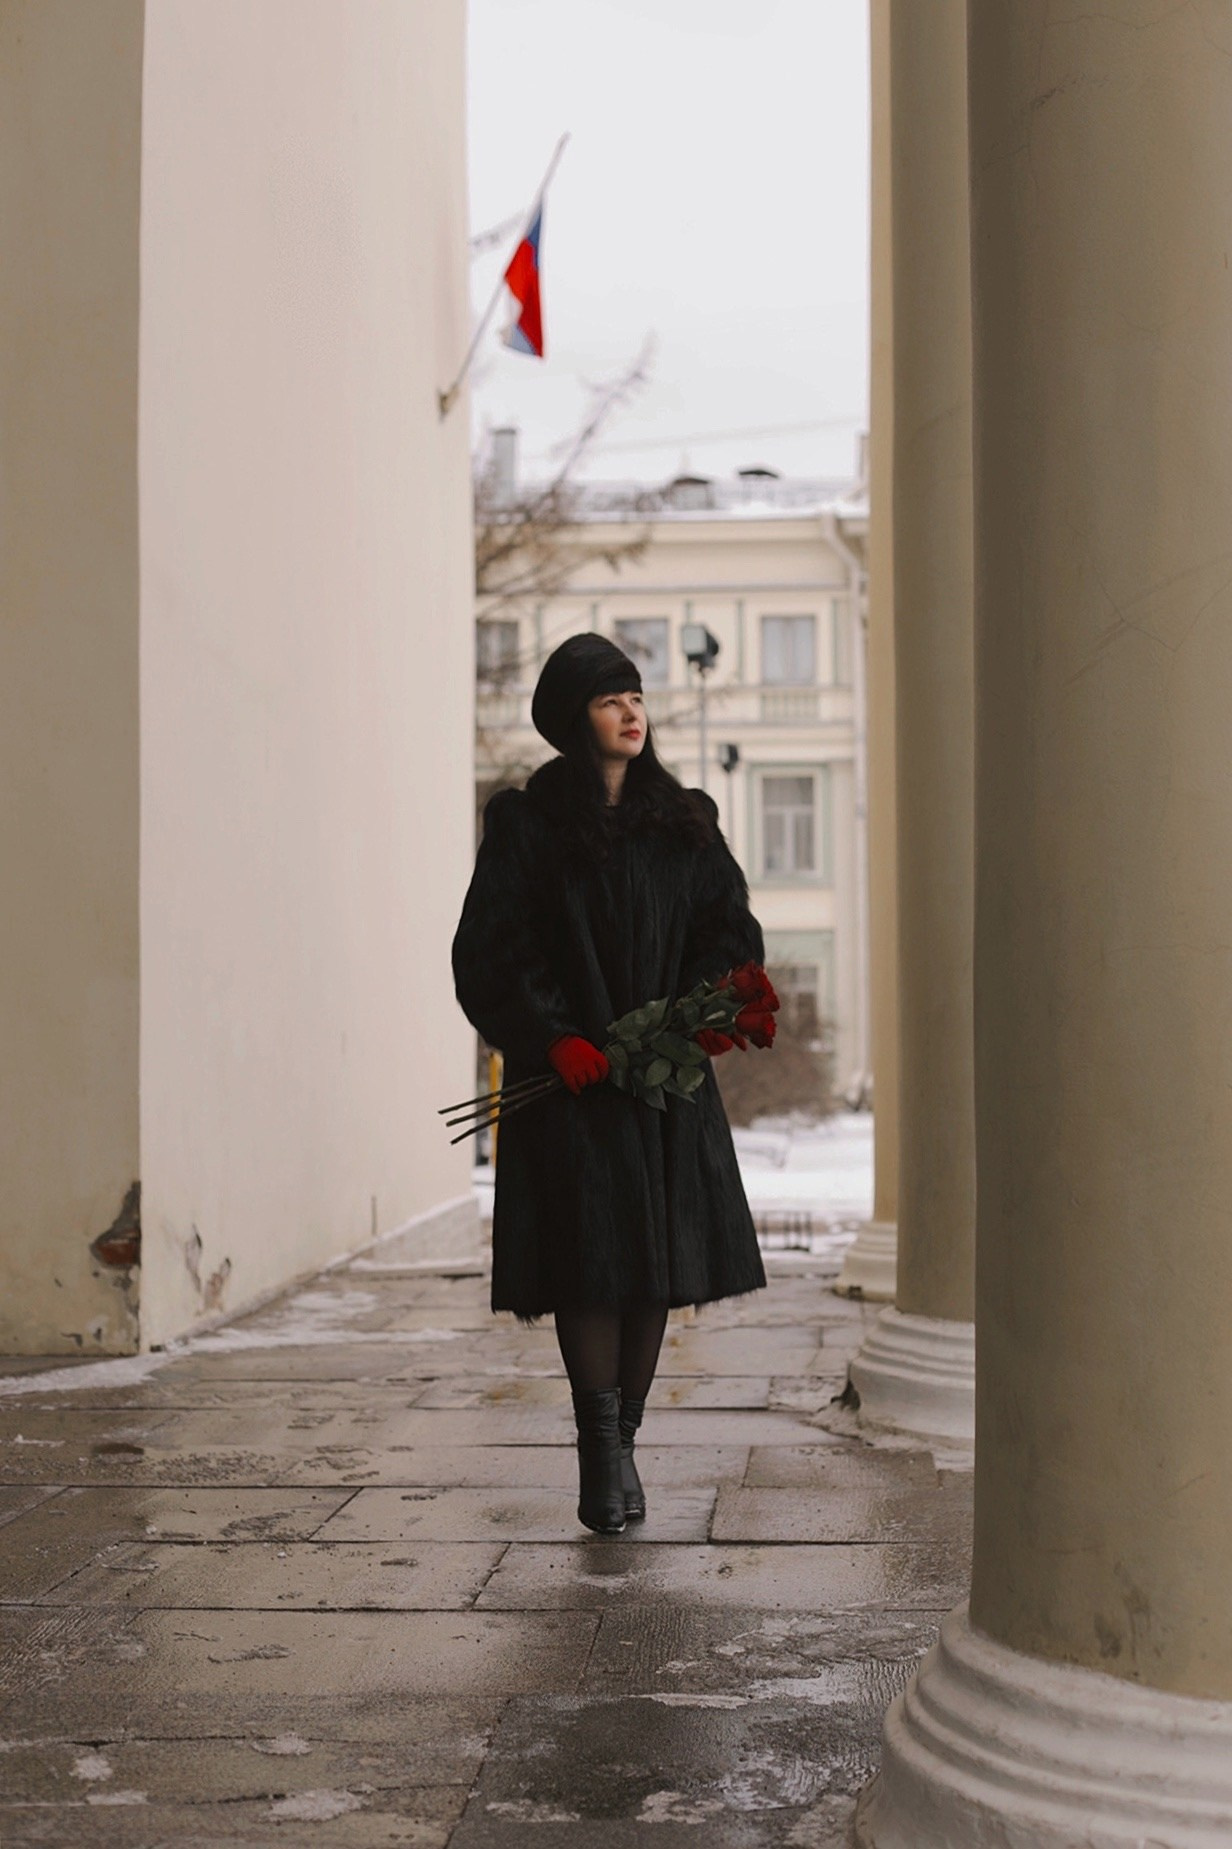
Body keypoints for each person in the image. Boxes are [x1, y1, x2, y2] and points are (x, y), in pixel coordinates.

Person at [451, 633, 766, 1534]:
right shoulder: (526, 823)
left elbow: (731, 936)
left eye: (636, 695)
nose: (632, 711)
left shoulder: (688, 821)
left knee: (651, 1274)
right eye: (608, 699)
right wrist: (553, 1040)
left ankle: (621, 1438)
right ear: (570, 717)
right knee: (591, 1264)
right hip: (575, 1090)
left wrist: (692, 1017)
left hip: (664, 1083)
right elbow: (491, 953)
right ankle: (600, 1455)